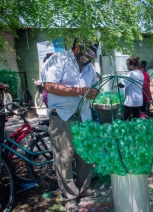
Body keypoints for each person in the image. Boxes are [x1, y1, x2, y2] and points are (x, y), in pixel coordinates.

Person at [40, 39, 100, 212]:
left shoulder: (89, 68)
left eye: (91, 56)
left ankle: (84, 189)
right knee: (64, 159)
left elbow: (95, 86)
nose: (87, 59)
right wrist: (78, 91)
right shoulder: (59, 60)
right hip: (62, 117)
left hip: (84, 117)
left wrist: (95, 92)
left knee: (85, 156)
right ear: (76, 47)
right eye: (85, 55)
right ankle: (69, 198)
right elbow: (49, 86)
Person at [118, 56, 144, 120]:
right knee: (136, 119)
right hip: (138, 99)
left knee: (124, 117)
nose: (127, 67)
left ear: (131, 66)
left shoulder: (131, 73)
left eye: (127, 65)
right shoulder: (141, 74)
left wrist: (117, 84)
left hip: (131, 100)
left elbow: (123, 85)